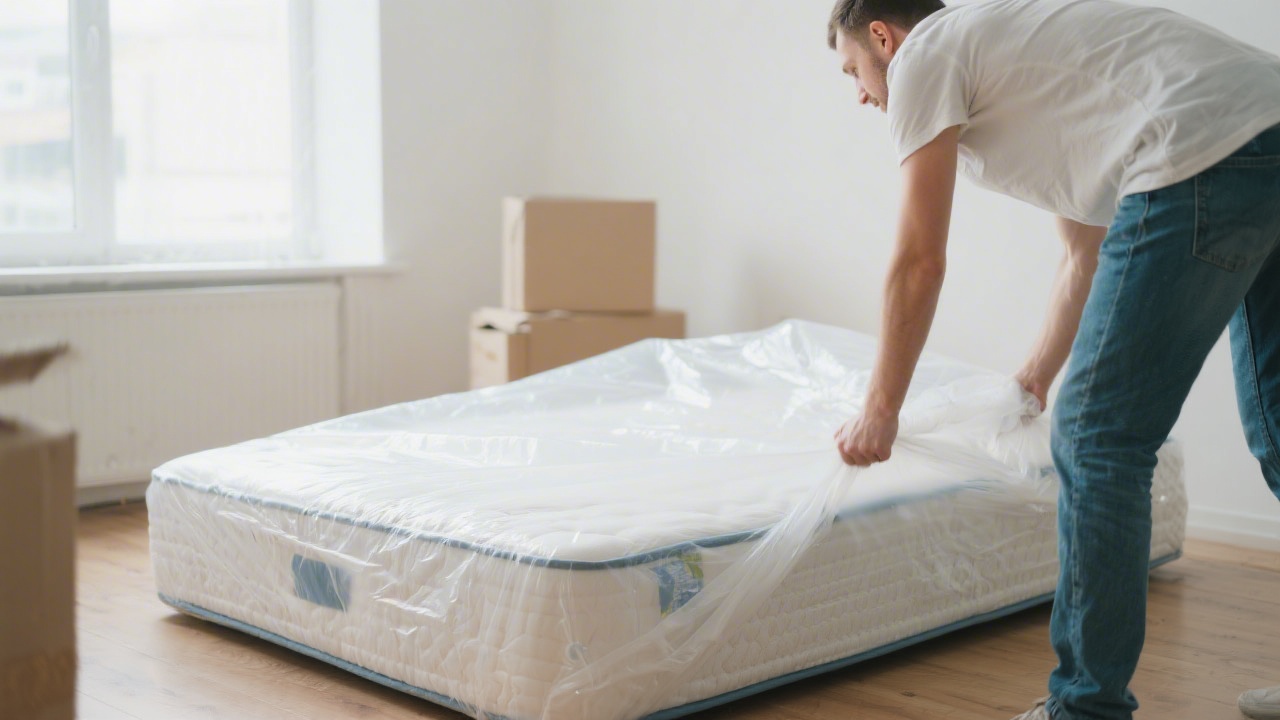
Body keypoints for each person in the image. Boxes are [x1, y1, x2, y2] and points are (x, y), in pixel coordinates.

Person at [826, 0, 1280, 718]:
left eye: (853, 69)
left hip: (1199, 145)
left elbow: (918, 261)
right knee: (1279, 430)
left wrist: (880, 412)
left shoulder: (925, 55)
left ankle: (1085, 708)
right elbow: (1084, 254)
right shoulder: (1024, 68)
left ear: (883, 36)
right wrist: (1036, 374)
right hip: (1263, 125)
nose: (859, 93)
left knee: (1100, 440)